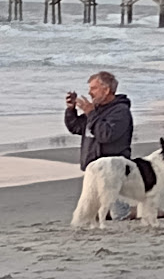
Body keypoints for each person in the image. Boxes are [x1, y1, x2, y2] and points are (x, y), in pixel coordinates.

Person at [65, 71, 133, 220]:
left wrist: (91, 113)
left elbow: (106, 135)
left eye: (94, 88)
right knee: (92, 214)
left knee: (120, 215)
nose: (90, 93)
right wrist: (71, 110)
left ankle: (143, 210)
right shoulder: (95, 111)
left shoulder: (121, 111)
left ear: (107, 90)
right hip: (93, 169)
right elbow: (76, 127)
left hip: (112, 170)